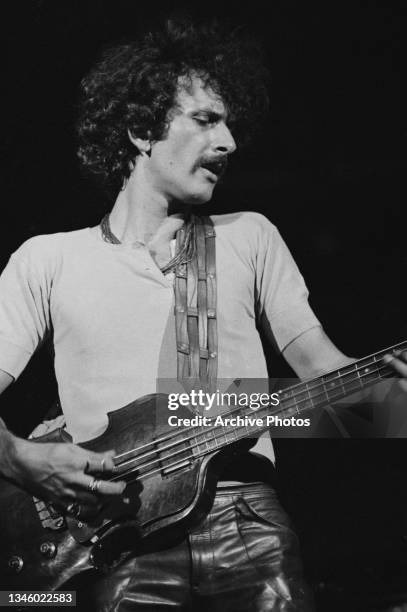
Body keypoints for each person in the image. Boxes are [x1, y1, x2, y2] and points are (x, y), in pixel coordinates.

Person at [0, 19, 406, 612]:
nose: (229, 142)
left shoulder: (250, 237)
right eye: (205, 119)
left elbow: (331, 382)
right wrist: (18, 456)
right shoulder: (47, 259)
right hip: (115, 538)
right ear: (141, 128)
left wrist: (394, 404)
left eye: (229, 123)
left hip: (247, 520)